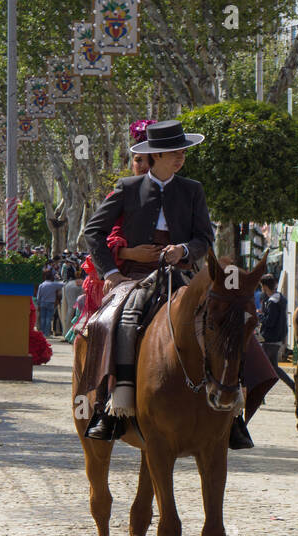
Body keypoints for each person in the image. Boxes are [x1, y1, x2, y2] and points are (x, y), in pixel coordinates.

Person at [82, 118, 258, 446]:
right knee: (123, 317)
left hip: (185, 277)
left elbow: (205, 238)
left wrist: (184, 249)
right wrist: (112, 273)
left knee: (231, 317)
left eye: (183, 151)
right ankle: (114, 403)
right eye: (174, 152)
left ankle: (234, 410)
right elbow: (93, 231)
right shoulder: (127, 188)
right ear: (156, 156)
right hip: (135, 277)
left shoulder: (193, 190)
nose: (181, 157)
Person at [259, 273, 287, 368]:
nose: (261, 289)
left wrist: (259, 316)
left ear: (265, 286)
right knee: (274, 368)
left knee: (260, 366)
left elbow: (270, 322)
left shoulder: (272, 302)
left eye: (262, 286)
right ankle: (292, 384)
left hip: (270, 338)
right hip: (278, 337)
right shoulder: (279, 298)